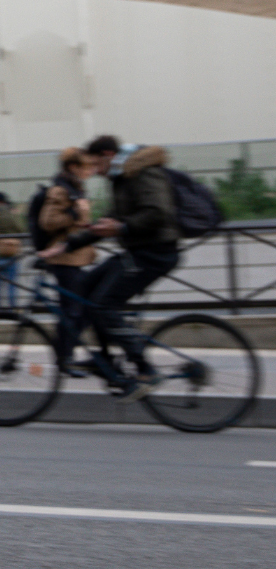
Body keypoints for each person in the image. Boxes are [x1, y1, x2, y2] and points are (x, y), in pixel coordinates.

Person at [38, 135, 180, 401]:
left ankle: (146, 369)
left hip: (156, 253)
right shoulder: (122, 177)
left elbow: (159, 212)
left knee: (104, 305)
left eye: (95, 164)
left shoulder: (144, 172)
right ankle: (105, 359)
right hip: (138, 252)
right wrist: (64, 247)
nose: (93, 171)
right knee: (85, 288)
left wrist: (122, 227)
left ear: (107, 155)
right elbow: (109, 223)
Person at [36, 148, 97, 371]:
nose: (90, 171)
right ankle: (65, 357)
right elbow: (47, 222)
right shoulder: (60, 190)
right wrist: (74, 214)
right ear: (73, 167)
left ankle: (63, 351)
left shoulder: (75, 188)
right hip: (64, 259)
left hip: (77, 258)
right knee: (73, 310)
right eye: (86, 166)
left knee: (82, 308)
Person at [0, 192, 24, 308]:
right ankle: (12, 310)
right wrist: (16, 215)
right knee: (12, 284)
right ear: (4, 201)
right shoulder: (10, 213)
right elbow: (20, 229)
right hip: (12, 251)